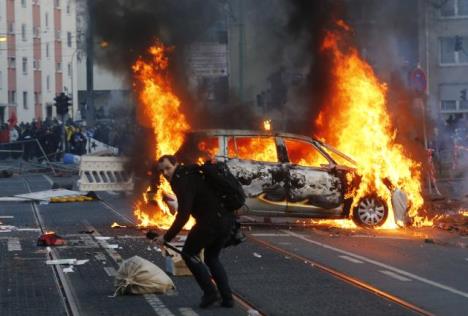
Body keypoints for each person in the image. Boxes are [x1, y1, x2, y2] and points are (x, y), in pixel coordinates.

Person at [154, 155, 235, 308]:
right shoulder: (191, 171)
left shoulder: (181, 180)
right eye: (162, 170)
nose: (165, 173)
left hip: (210, 222)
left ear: (176, 164)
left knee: (188, 253)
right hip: (226, 220)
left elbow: (184, 214)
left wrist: (166, 237)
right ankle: (227, 298)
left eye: (168, 168)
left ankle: (210, 293)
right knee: (212, 258)